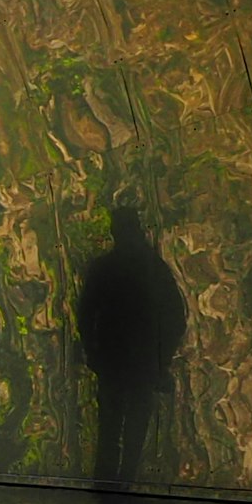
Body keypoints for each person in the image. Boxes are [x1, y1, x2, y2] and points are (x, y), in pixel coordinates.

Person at [73, 203, 186, 485]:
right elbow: (175, 316)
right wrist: (163, 359)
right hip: (144, 358)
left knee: (110, 422)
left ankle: (106, 482)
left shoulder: (104, 268)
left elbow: (86, 314)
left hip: (113, 356)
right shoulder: (154, 268)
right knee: (136, 421)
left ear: (115, 232)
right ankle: (127, 479)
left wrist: (93, 349)